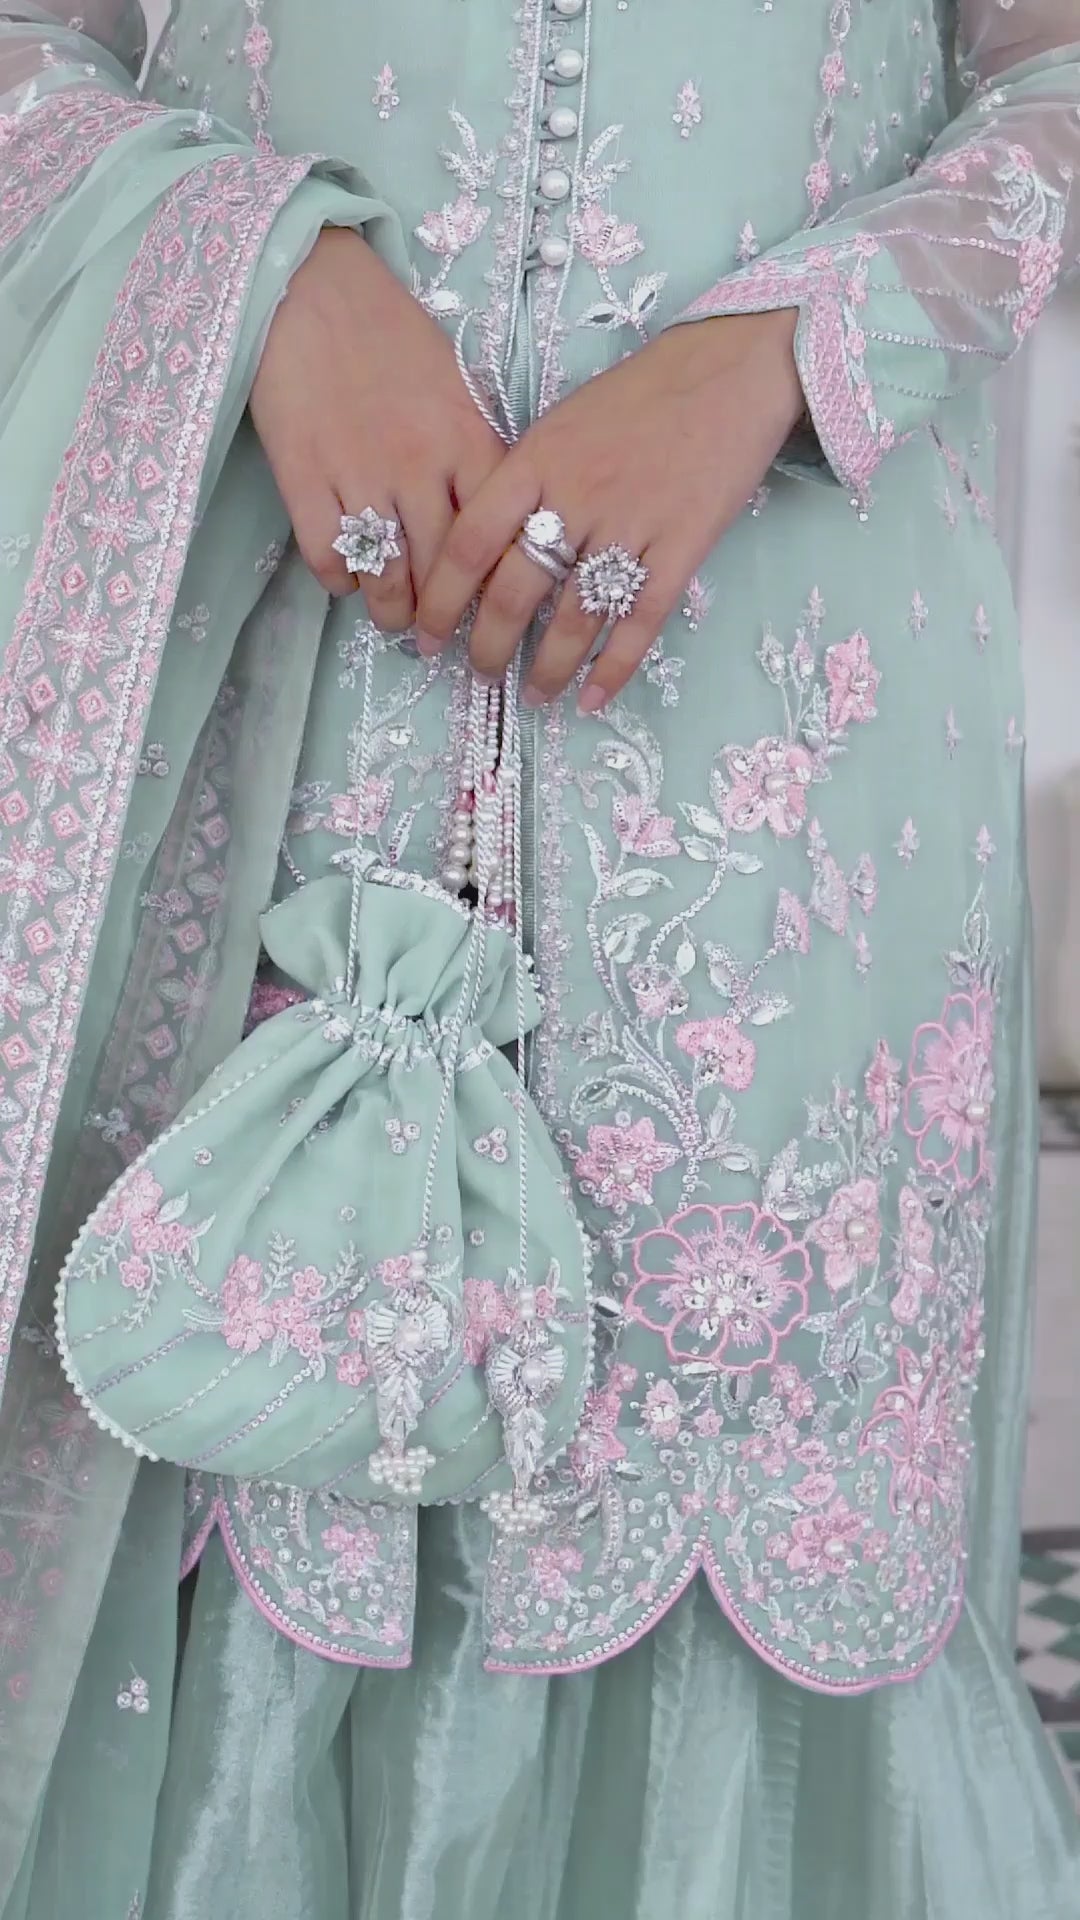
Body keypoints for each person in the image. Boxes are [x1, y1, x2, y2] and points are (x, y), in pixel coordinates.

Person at [0, 2, 1077, 1915]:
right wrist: (272, 272)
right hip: (256, 694)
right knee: (225, 1437)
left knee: (728, 1533)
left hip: (792, 757)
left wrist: (791, 346)